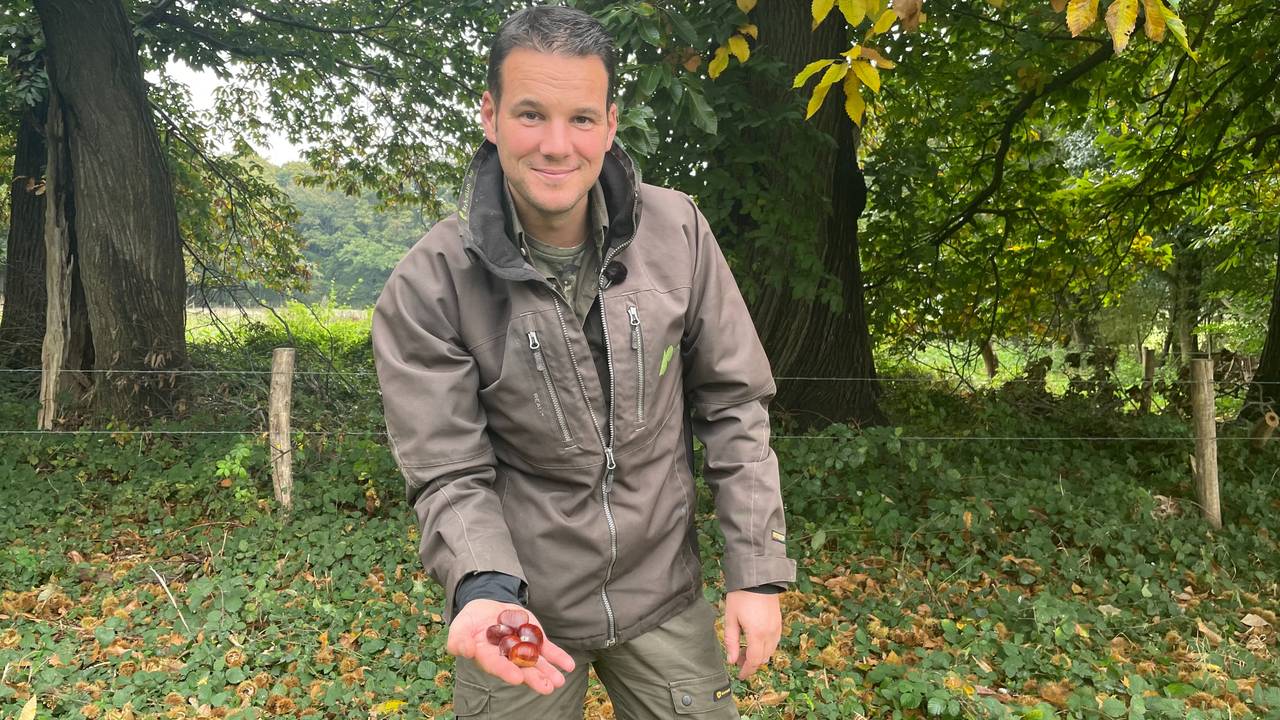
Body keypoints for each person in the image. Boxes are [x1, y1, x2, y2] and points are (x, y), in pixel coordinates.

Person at [372, 5, 795, 717]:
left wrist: (756, 570)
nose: (556, 145)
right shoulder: (430, 284)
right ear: (490, 115)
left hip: (664, 596)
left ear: (610, 123)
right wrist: (486, 590)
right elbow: (448, 469)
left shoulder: (680, 232)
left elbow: (734, 405)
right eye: (530, 115)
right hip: (521, 612)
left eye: (581, 118)